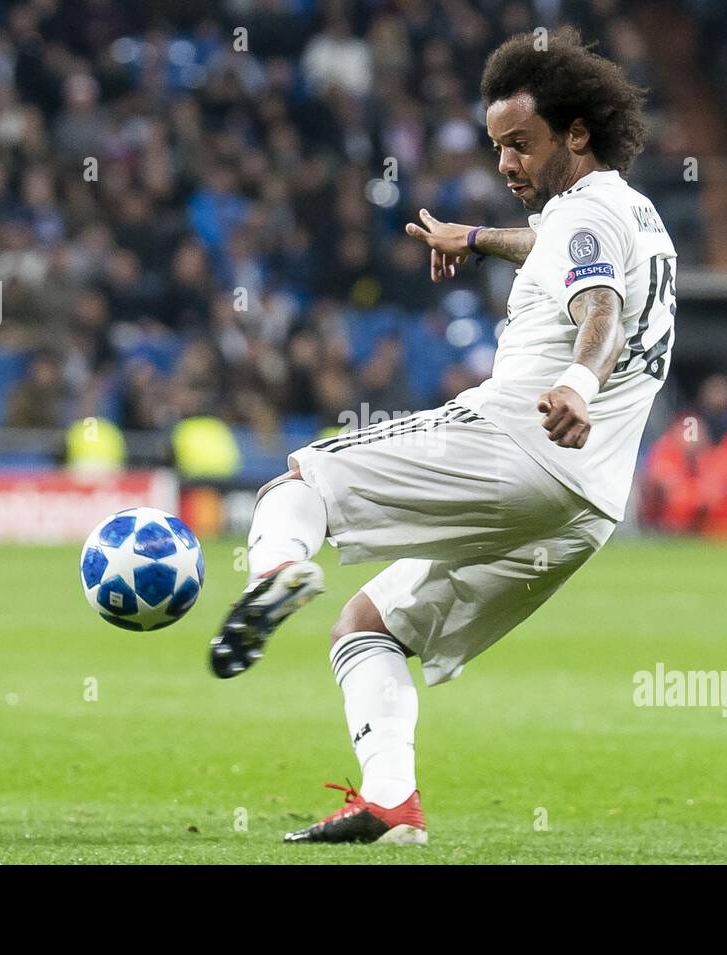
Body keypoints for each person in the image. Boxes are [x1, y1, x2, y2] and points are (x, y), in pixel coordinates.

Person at [209, 28, 673, 845]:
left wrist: (577, 380)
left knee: (298, 485)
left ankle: (277, 572)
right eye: (497, 147)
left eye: (520, 145)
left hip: (517, 441)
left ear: (576, 133)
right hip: (585, 508)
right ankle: (392, 806)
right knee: (367, 625)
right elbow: (560, 253)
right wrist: (478, 238)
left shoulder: (585, 214)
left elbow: (596, 308)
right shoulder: (635, 216)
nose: (504, 166)